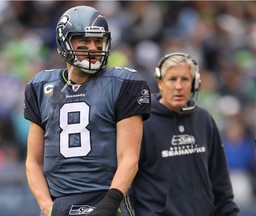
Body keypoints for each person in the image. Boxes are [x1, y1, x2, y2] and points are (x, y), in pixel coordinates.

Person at [24, 5, 151, 216]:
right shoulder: (40, 86)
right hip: (60, 201)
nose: (93, 48)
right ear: (64, 42)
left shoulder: (123, 83)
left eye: (98, 41)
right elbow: (33, 161)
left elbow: (129, 158)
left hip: (107, 198)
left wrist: (110, 204)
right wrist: (48, 208)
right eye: (84, 41)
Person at [130, 52, 239, 216]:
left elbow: (220, 182)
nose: (179, 86)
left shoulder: (204, 119)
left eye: (185, 79)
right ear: (160, 83)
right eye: (172, 79)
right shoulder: (143, 122)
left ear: (194, 85)